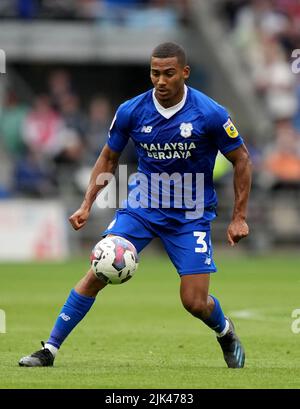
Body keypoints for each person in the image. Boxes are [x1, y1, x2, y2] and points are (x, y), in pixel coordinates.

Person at [19, 42, 252, 369]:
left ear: (184, 73)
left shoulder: (210, 113)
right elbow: (109, 158)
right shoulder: (131, 110)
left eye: (169, 73)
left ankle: (225, 331)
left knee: (195, 302)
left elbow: (241, 159)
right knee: (96, 272)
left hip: (190, 216)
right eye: (155, 73)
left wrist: (239, 216)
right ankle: (50, 350)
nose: (160, 80)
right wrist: (87, 204)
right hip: (141, 208)